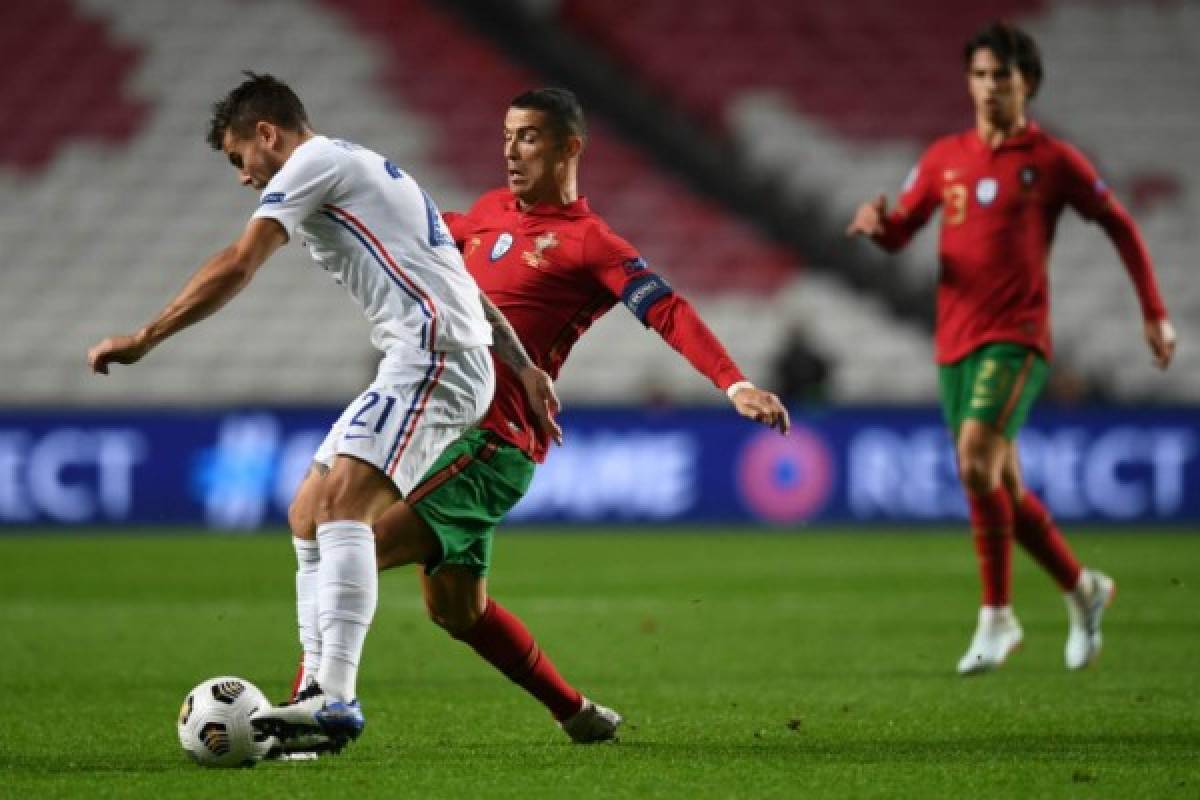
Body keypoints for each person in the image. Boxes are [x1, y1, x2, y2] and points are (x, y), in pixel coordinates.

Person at [280, 87, 791, 749]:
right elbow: (424, 242)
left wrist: (734, 382)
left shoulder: (590, 243)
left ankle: (309, 710)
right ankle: (574, 711)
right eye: (506, 135)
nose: (511, 152)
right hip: (442, 429)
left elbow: (665, 309)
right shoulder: (487, 213)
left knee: (352, 543)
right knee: (459, 612)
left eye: (528, 137)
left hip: (492, 444)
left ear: (568, 148)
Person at [86, 73, 556, 750]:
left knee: (343, 509)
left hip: (435, 357)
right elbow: (458, 277)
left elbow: (239, 263)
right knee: (308, 511)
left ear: (267, 134)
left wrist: (144, 338)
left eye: (237, 157)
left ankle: (334, 698)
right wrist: (523, 364)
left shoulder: (314, 164)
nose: (243, 177)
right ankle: (315, 704)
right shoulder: (361, 169)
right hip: (432, 354)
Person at [846, 23, 1176, 675]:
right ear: (968, 82)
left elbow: (1120, 224)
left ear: (1027, 83)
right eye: (980, 75)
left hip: (1018, 338)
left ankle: (997, 615)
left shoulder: (1053, 159)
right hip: (954, 340)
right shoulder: (944, 157)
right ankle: (1084, 589)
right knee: (999, 486)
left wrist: (1155, 313)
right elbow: (904, 230)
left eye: (1003, 75)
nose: (991, 86)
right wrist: (876, 226)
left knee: (974, 462)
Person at [771, 322, 833, 406]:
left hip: (811, 393)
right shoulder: (785, 357)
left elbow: (822, 371)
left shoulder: (813, 356)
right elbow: (780, 374)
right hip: (790, 394)